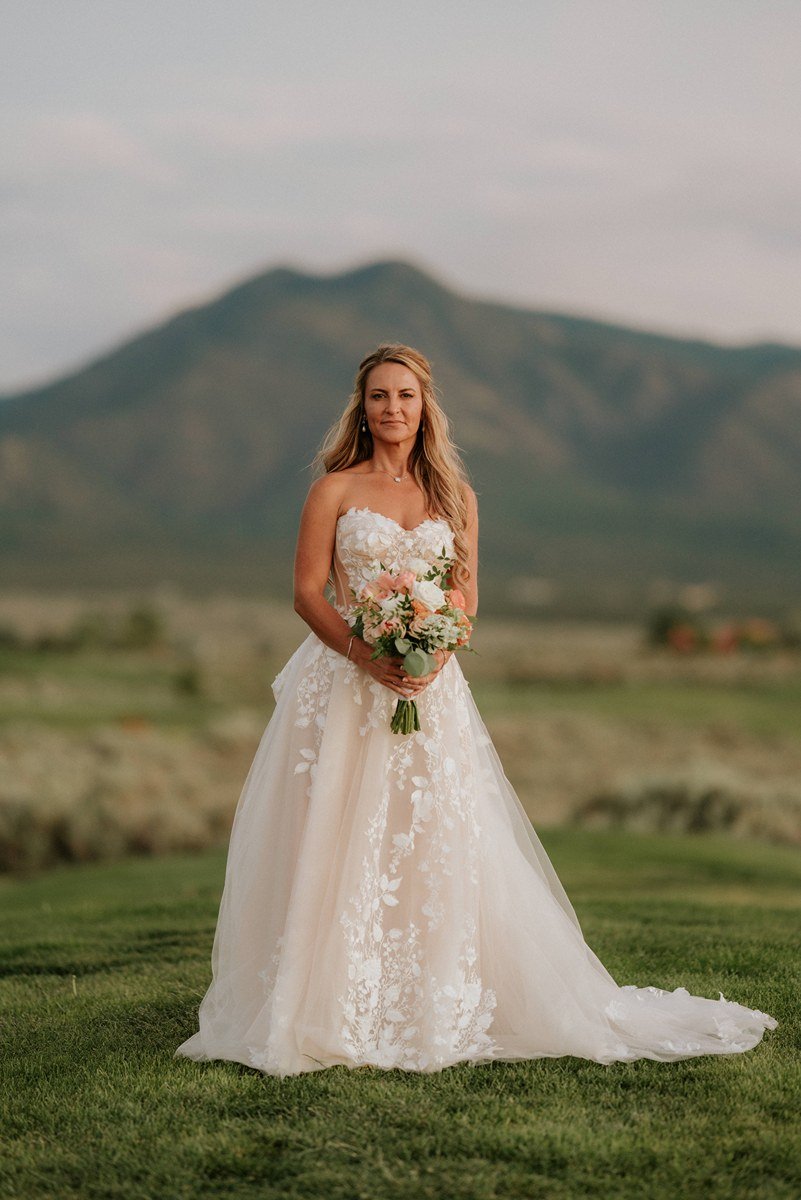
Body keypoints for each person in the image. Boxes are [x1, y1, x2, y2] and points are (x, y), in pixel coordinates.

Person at [174, 342, 777, 1076]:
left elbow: (464, 598)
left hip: (429, 687)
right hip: (342, 686)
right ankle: (323, 999)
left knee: (428, 837)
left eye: (404, 395)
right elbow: (307, 593)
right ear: (359, 409)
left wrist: (430, 651)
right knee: (332, 835)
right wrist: (368, 653)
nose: (391, 408)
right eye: (377, 396)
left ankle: (432, 996)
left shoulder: (456, 496)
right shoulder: (332, 489)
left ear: (424, 405)